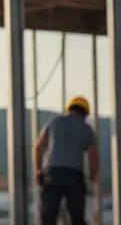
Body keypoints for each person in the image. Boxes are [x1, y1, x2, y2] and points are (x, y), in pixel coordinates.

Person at [34, 96, 99, 225]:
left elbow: (39, 147)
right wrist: (92, 177)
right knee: (77, 217)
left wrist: (38, 170)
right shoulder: (87, 128)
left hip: (52, 173)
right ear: (85, 114)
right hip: (74, 175)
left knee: (48, 217)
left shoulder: (54, 122)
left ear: (69, 110)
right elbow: (93, 156)